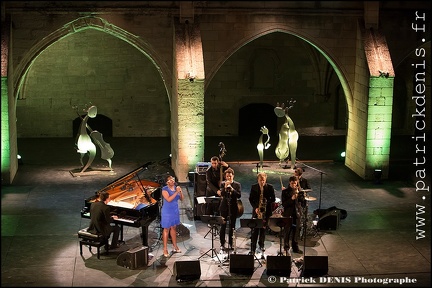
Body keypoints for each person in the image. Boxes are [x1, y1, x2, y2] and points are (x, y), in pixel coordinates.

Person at [248, 172, 275, 255]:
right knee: (255, 230)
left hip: (266, 212)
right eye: (260, 180)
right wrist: (256, 207)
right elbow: (250, 199)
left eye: (263, 180)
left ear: (265, 179)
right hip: (257, 211)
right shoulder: (254, 187)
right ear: (258, 180)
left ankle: (261, 245)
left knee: (263, 230)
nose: (262, 182)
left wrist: (266, 202)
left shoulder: (270, 187)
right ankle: (253, 248)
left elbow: (273, 199)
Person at [218, 167, 241, 251]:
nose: (228, 178)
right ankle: (222, 244)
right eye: (227, 176)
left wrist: (232, 189)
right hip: (224, 207)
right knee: (223, 226)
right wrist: (225, 187)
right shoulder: (222, 183)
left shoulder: (237, 185)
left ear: (233, 176)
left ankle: (231, 243)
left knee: (232, 226)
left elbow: (239, 195)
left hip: (233, 207)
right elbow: (222, 194)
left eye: (230, 176)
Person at [161, 175, 184, 257]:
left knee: (173, 227)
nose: (172, 181)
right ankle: (165, 249)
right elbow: (169, 199)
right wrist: (176, 192)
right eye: (170, 180)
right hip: (167, 211)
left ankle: (175, 246)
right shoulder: (164, 189)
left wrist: (180, 192)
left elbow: (181, 199)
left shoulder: (176, 188)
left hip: (175, 210)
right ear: (167, 182)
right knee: (166, 229)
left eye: (173, 179)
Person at [281, 176, 305, 254]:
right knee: (287, 231)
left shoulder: (300, 191)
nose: (294, 185)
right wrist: (292, 199)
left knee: (296, 232)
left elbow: (303, 203)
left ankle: (295, 247)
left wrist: (300, 195)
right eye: (292, 183)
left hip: (297, 214)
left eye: (295, 183)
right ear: (289, 183)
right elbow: (284, 204)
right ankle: (286, 247)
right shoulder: (285, 192)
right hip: (288, 214)